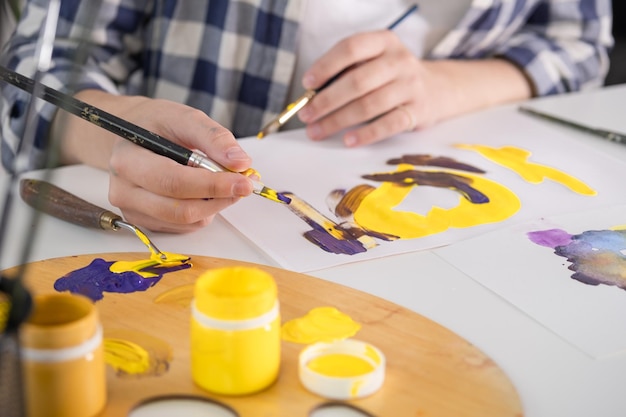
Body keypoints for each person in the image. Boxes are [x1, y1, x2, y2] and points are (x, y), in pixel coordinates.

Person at [0, 0, 613, 233]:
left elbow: (581, 40)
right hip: (202, 245)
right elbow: (29, 71)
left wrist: (445, 85)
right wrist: (112, 127)